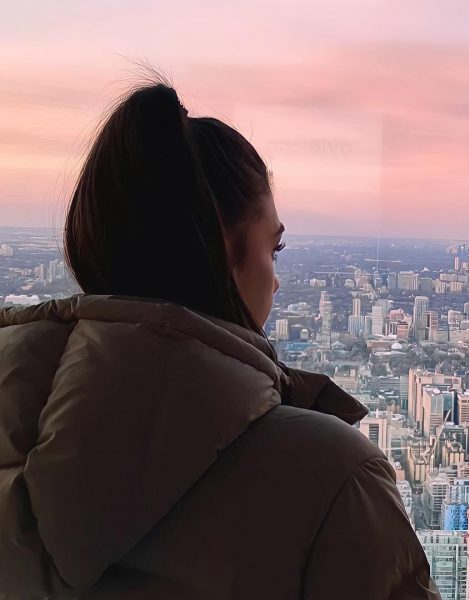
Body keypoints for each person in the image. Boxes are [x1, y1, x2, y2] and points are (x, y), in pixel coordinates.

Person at [0, 81, 439, 599]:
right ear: (221, 247)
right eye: (273, 250)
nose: (275, 280)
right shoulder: (332, 480)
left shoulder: (15, 427)